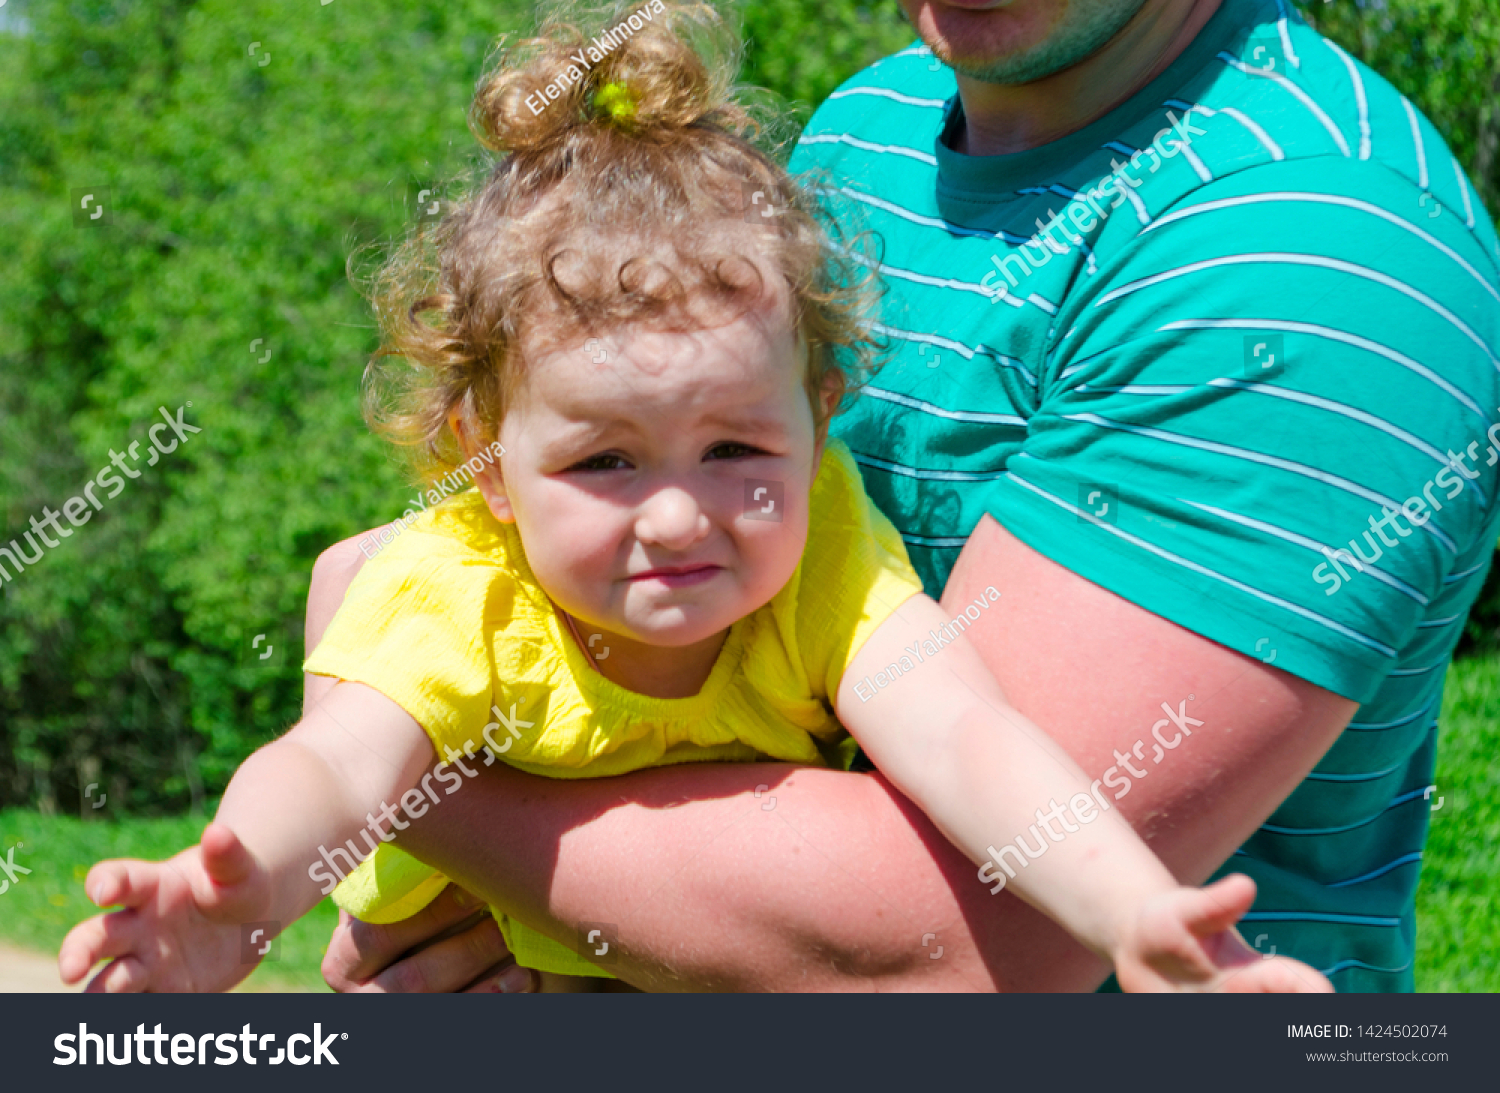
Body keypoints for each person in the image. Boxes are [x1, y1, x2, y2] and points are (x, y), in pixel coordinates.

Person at [55, 1, 1329, 995]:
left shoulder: (823, 546)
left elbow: (964, 739)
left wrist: (1132, 913)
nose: (680, 517)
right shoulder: (458, 593)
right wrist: (241, 891)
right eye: (604, 461)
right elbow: (337, 765)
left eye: (738, 450)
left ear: (823, 411)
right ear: (483, 462)